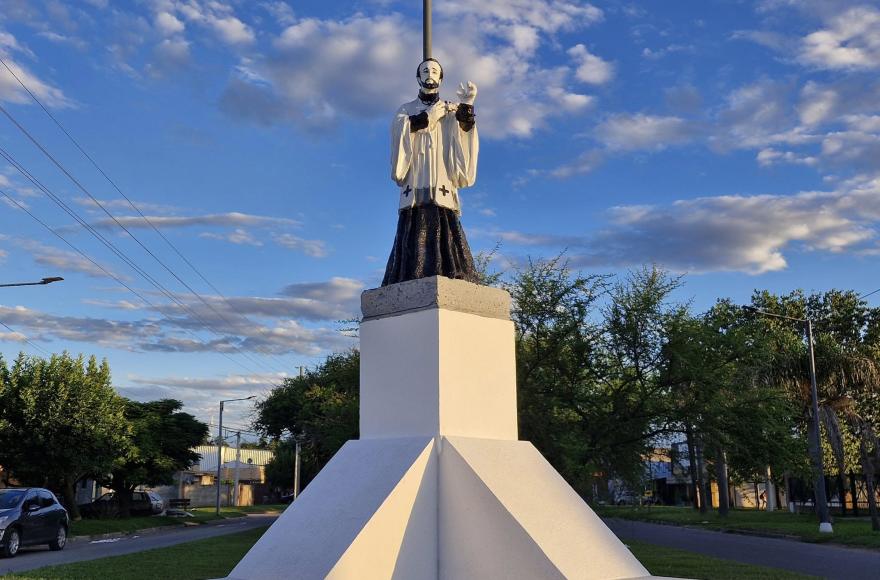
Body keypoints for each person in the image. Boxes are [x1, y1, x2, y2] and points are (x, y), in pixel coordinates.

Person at [382, 58, 480, 286]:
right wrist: (429, 117)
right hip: (417, 179)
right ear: (418, 77)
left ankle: (451, 269)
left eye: (435, 70)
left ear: (441, 77)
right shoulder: (406, 109)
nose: (430, 73)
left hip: (442, 176)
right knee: (415, 224)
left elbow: (465, 133)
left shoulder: (449, 109)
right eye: (425, 70)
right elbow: (400, 130)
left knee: (443, 220)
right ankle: (410, 272)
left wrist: (467, 104)